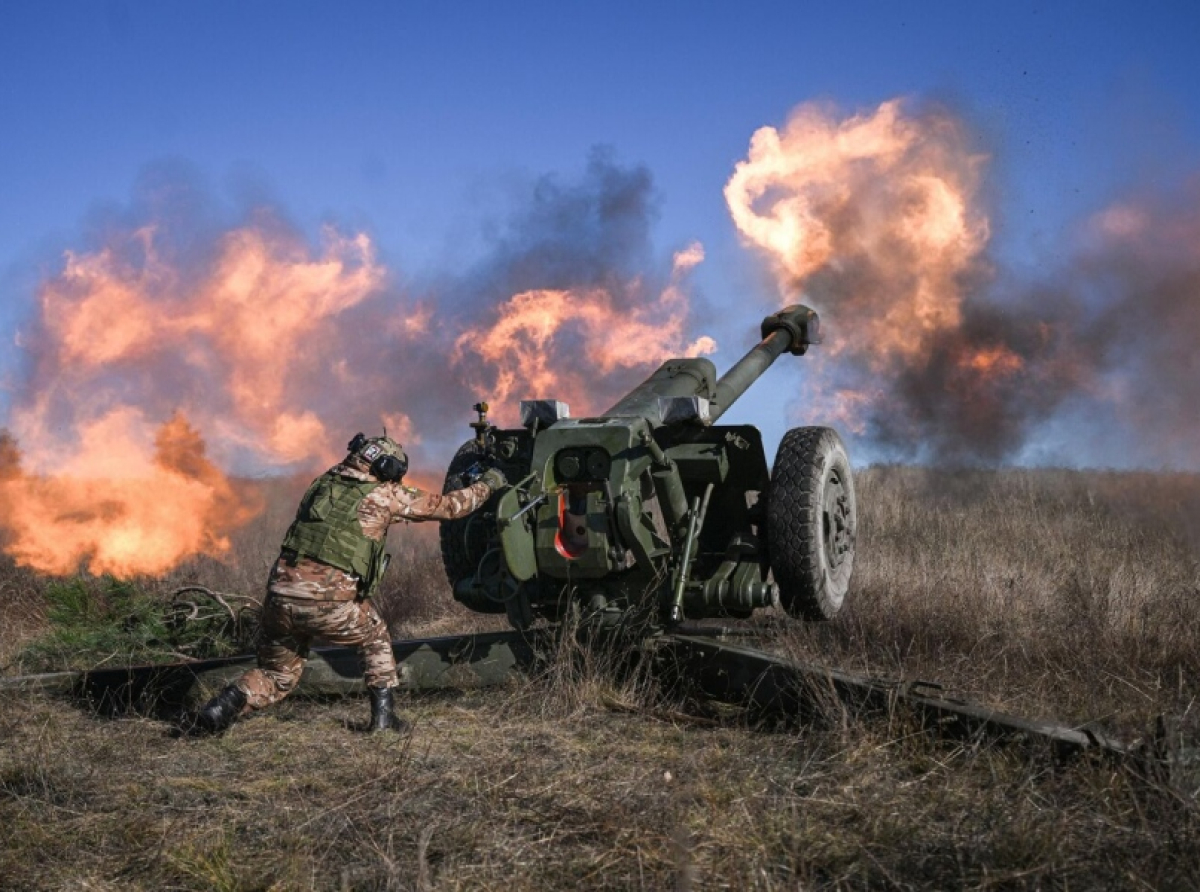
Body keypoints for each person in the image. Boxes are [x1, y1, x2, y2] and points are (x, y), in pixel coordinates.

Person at [186, 433, 505, 736]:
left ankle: (220, 708)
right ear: (387, 468)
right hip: (328, 604)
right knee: (375, 634)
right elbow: (452, 507)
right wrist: (490, 482)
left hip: (279, 599)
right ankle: (384, 719)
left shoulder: (323, 483)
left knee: (277, 676)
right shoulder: (384, 495)